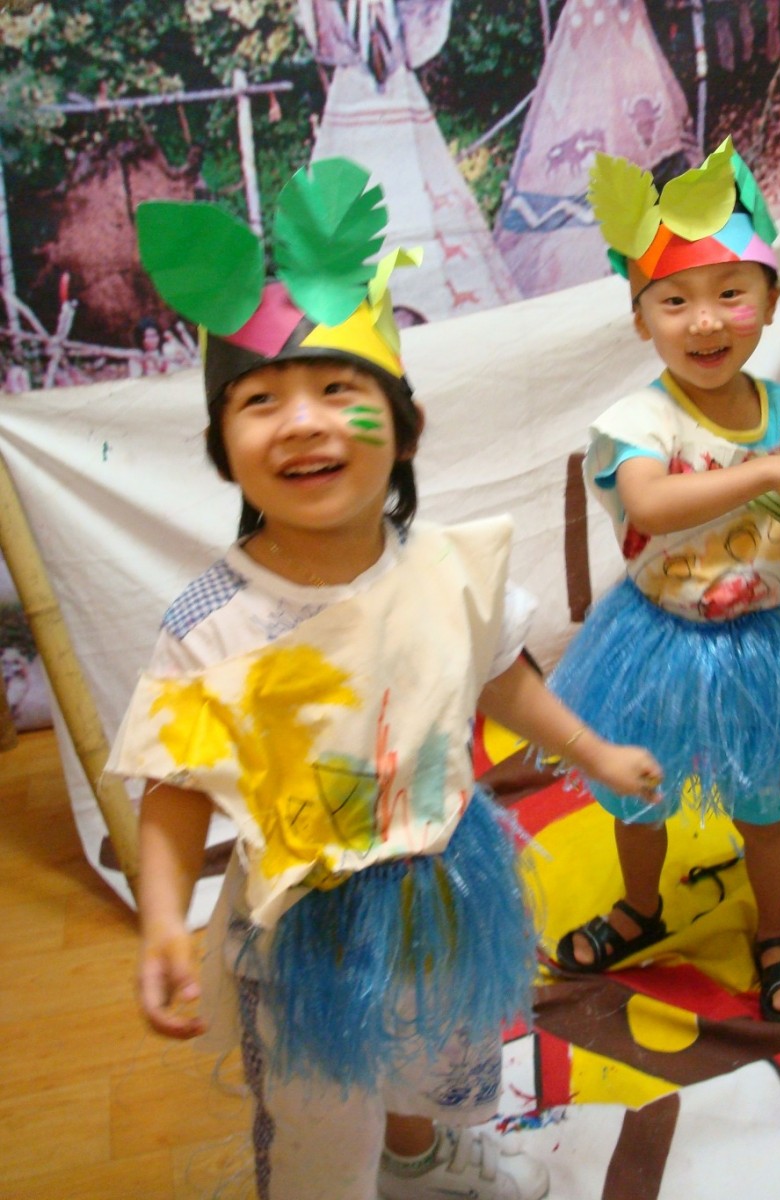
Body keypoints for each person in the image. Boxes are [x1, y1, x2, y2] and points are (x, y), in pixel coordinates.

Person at [108, 158, 662, 1200]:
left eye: (338, 391)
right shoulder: (211, 623)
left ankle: (420, 1154)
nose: (301, 421)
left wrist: (591, 750)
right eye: (260, 400)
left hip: (444, 882)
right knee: (320, 1121)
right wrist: (161, 921)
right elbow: (174, 786)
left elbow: (500, 679)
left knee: (434, 1052)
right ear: (224, 449)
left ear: (405, 431)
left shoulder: (450, 569)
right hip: (304, 927)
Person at [549, 137, 780, 1023]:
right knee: (638, 795)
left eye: (731, 292)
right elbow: (652, 503)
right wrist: (775, 470)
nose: (704, 321)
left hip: (761, 646)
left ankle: (776, 933)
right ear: (640, 317)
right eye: (675, 300)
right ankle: (639, 907)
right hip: (654, 642)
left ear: (769, 302)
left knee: (767, 808)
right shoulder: (636, 421)